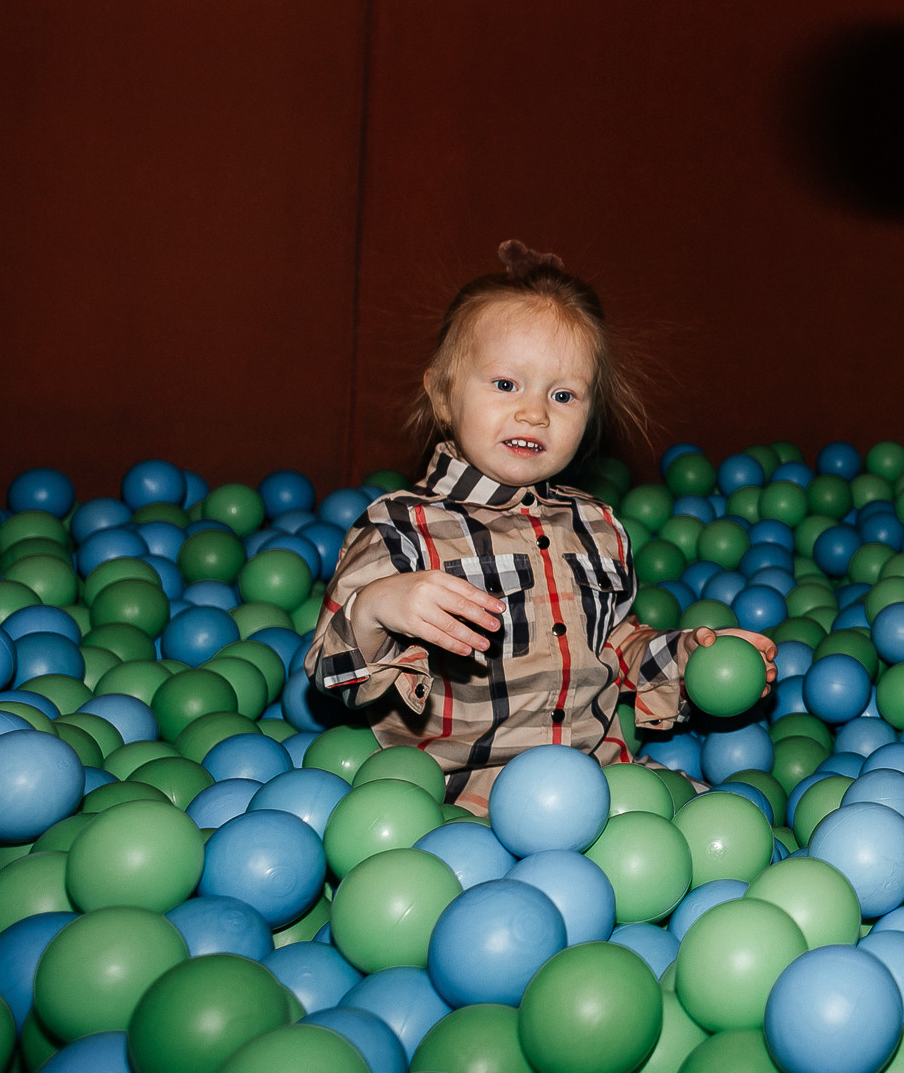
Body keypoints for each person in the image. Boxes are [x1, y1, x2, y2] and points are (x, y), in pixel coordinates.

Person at [306, 241, 773, 810]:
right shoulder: (401, 527)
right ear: (443, 394)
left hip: (598, 783)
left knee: (724, 817)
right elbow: (330, 669)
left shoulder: (597, 525)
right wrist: (378, 607)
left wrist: (687, 657)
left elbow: (614, 645)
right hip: (460, 797)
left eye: (563, 395)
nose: (535, 412)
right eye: (506, 385)